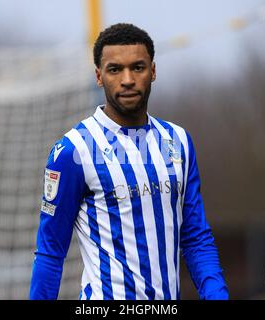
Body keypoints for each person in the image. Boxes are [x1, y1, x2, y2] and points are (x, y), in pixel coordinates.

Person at [29, 23, 228, 300]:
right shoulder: (73, 151)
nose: (127, 79)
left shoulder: (179, 141)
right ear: (99, 76)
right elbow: (51, 253)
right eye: (114, 69)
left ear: (153, 71)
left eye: (137, 67)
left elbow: (196, 239)